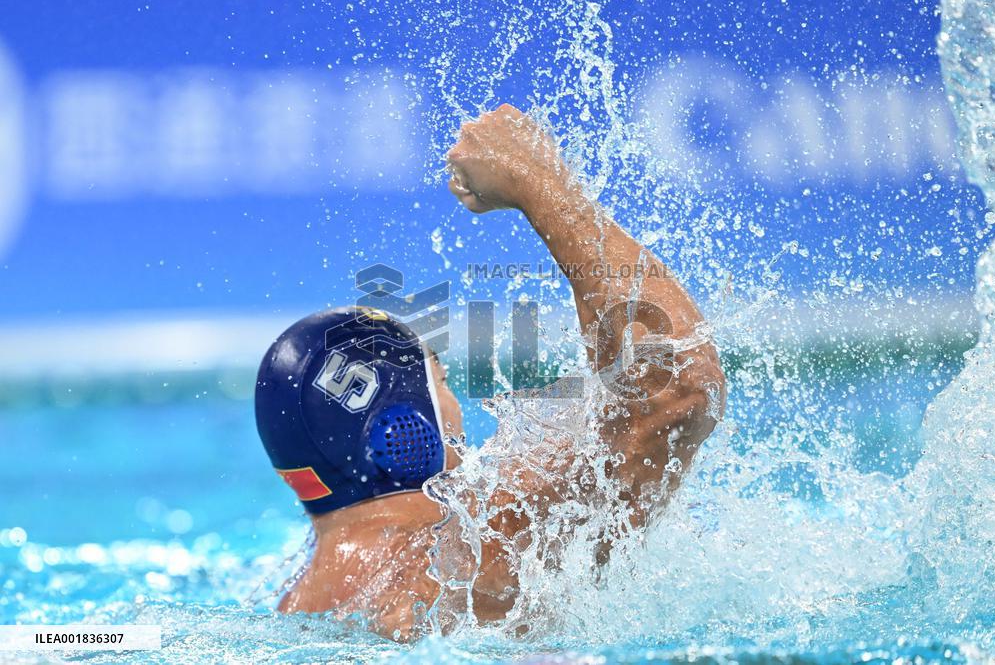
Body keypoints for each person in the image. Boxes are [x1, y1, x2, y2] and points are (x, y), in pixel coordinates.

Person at [254, 104, 725, 641]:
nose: (459, 409)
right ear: (403, 429)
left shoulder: (295, 598)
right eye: (444, 383)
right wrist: (539, 183)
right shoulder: (458, 555)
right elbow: (680, 388)